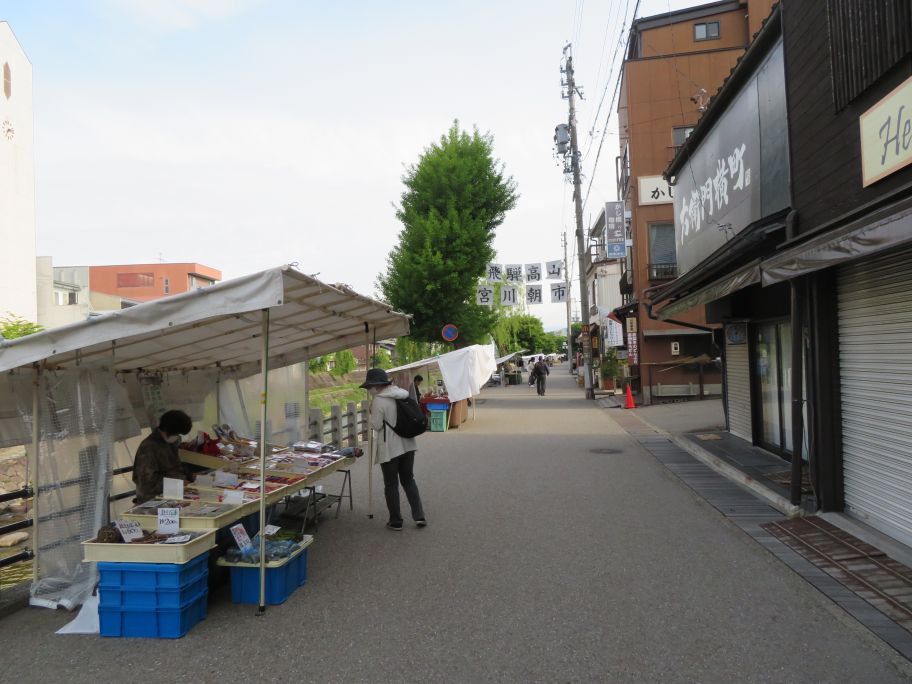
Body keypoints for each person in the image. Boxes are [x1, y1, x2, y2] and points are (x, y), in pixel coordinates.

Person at [361, 368, 427, 531]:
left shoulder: (378, 401)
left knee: (391, 484)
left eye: (370, 387)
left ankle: (396, 520)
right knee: (409, 480)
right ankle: (419, 516)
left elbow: (376, 426)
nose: (369, 390)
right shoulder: (402, 393)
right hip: (408, 444)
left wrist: (371, 413)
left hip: (390, 448)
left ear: (376, 386)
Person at [132, 409, 195, 504]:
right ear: (168, 430)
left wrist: (191, 476)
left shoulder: (171, 441)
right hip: (154, 499)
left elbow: (176, 467)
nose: (178, 437)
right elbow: (146, 483)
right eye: (177, 434)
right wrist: (177, 484)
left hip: (175, 492)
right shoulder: (148, 448)